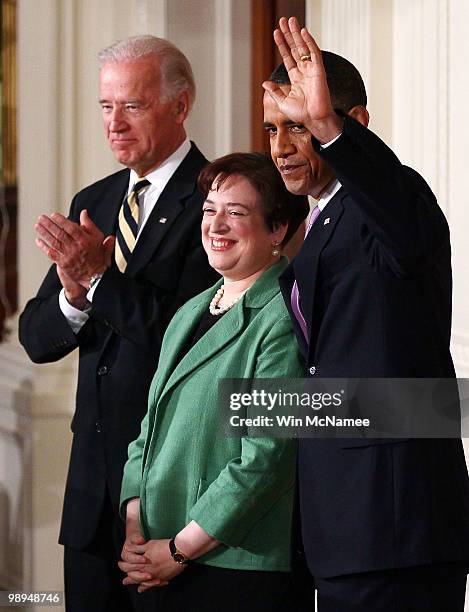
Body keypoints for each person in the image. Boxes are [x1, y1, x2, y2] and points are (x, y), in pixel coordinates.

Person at [262, 16, 469, 611]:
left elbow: (397, 213)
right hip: (344, 526)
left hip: (397, 526)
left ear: (354, 125)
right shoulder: (319, 222)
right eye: (273, 129)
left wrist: (327, 127)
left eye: (297, 127)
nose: (280, 147)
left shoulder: (395, 202)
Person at [18, 35, 219, 612]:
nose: (115, 123)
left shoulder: (217, 197)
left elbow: (192, 340)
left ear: (180, 106)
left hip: (169, 491)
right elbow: (36, 338)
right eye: (107, 107)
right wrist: (76, 296)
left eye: (132, 106)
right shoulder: (96, 200)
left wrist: (102, 281)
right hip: (90, 493)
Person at [117, 153, 312, 612]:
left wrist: (180, 549)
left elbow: (266, 459)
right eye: (209, 210)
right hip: (155, 556)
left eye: (236, 213)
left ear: (278, 230)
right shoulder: (190, 311)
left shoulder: (282, 317)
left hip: (229, 566)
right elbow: (149, 427)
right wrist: (134, 528)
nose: (216, 225)